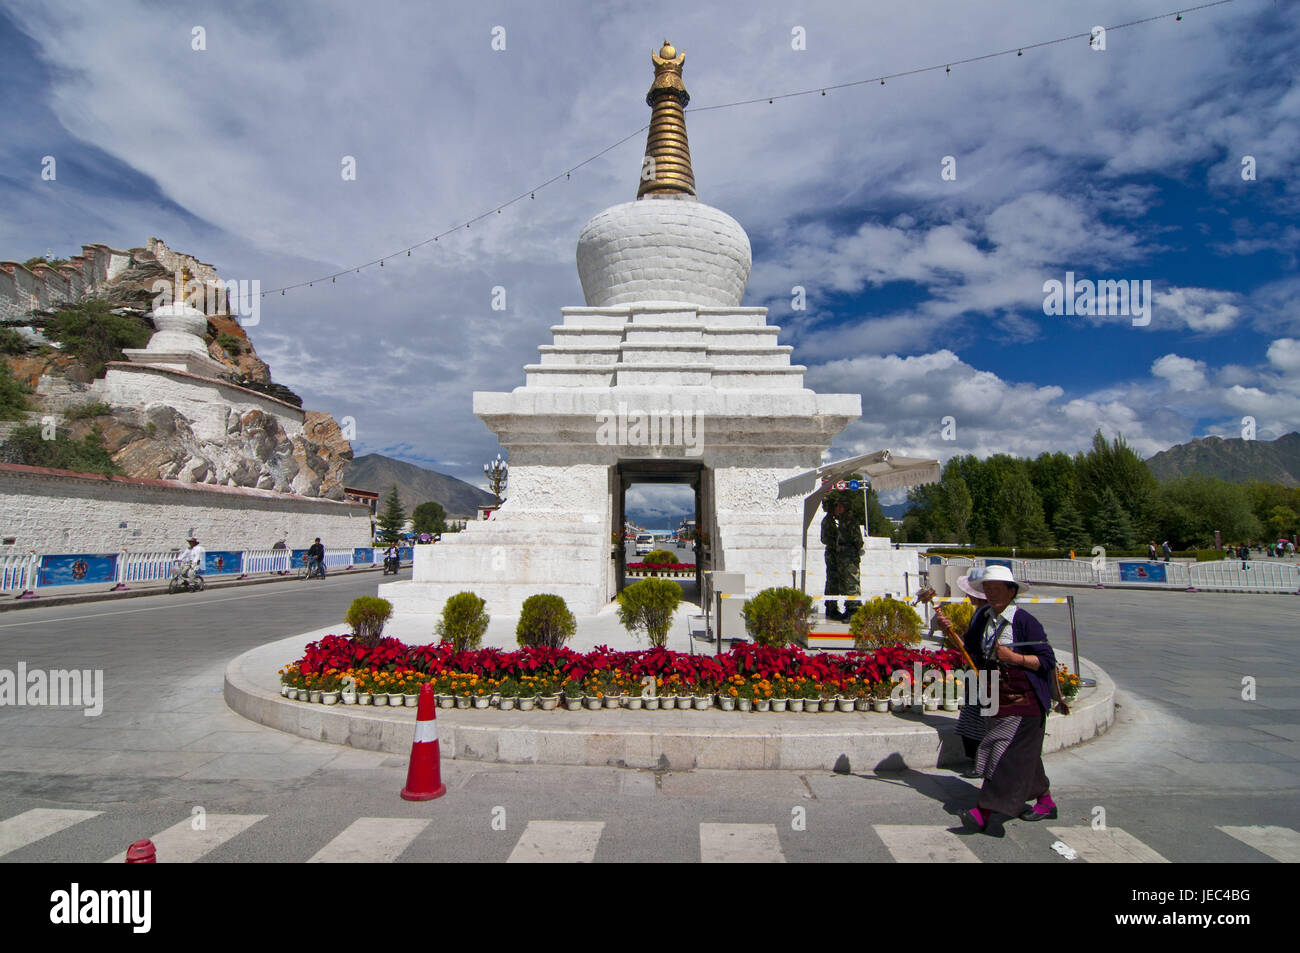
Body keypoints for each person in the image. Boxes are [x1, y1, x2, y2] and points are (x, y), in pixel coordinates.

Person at [957, 564, 1058, 836]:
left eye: (997, 589)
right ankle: (1045, 801)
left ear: (1012, 591)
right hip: (994, 694)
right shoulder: (982, 618)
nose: (991, 594)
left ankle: (985, 812)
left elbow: (1047, 661)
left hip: (1025, 699)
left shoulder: (1025, 622)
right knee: (1023, 755)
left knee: (1004, 753)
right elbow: (972, 651)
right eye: (987, 589)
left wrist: (1015, 658)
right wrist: (951, 634)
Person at [934, 568, 989, 774]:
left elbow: (978, 647)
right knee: (973, 718)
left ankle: (982, 765)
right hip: (975, 672)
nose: (967, 595)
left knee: (983, 721)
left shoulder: (988, 614)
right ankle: (978, 763)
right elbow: (966, 647)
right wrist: (949, 632)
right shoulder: (979, 613)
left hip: (985, 673)